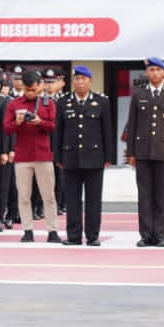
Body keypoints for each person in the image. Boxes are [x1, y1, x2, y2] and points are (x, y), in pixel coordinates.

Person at [124, 58, 164, 247]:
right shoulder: (138, 95)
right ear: (147, 73)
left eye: (157, 70)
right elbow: (132, 126)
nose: (154, 73)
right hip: (143, 152)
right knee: (144, 196)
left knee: (162, 196)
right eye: (150, 70)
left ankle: (159, 234)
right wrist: (131, 153)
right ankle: (146, 235)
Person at [54, 65, 114, 245]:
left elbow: (107, 131)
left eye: (83, 79)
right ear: (73, 81)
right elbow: (58, 132)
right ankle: (74, 236)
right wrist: (57, 156)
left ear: (90, 81)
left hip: (94, 157)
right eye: (77, 79)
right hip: (70, 157)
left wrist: (108, 156)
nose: (80, 82)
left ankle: (93, 235)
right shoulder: (63, 102)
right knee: (72, 200)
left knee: (93, 200)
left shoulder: (101, 102)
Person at [3, 70, 61, 243]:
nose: (30, 93)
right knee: (23, 195)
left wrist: (39, 122)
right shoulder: (14, 104)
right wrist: (17, 122)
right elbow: (6, 128)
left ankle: (52, 230)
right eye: (27, 90)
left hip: (43, 154)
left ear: (39, 86)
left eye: (34, 89)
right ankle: (27, 229)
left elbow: (53, 127)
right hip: (22, 155)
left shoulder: (48, 103)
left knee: (48, 195)